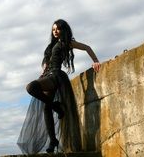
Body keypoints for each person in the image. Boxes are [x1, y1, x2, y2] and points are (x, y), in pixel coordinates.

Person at [17, 19, 101, 154]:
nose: (55, 31)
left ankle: (57, 107)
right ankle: (53, 139)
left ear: (63, 30)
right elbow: (46, 64)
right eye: (53, 29)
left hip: (56, 76)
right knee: (46, 108)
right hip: (46, 76)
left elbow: (87, 47)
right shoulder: (51, 45)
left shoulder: (67, 42)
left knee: (30, 87)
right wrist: (42, 72)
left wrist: (95, 61)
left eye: (58, 29)